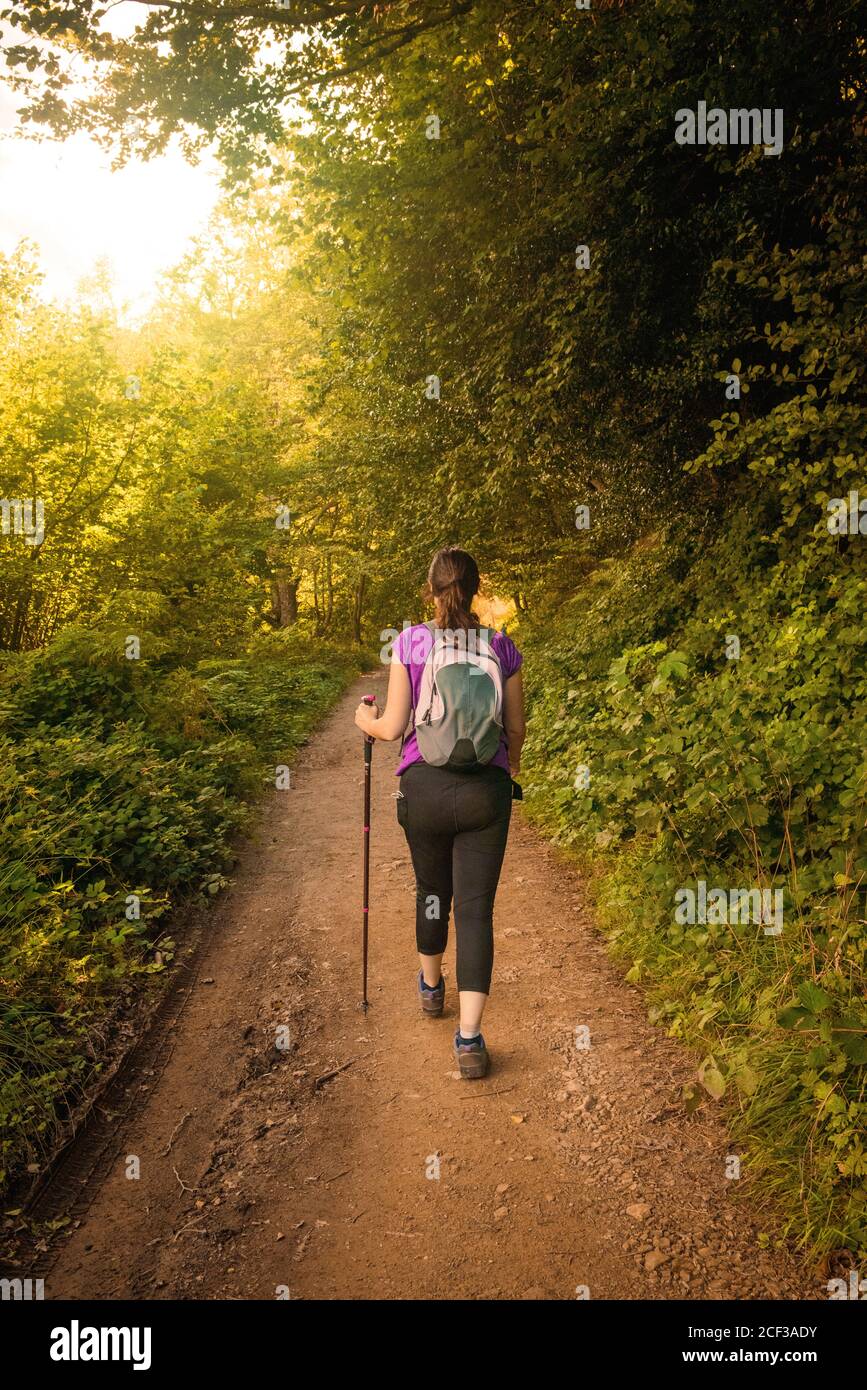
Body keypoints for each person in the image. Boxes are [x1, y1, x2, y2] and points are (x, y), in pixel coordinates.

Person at [354, 546, 526, 1079]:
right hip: (485, 794)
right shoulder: (502, 646)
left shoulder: (410, 642)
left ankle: (431, 990)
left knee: (432, 892)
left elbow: (391, 727)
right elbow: (515, 730)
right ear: (475, 590)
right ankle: (471, 1042)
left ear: (429, 591)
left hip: (424, 789)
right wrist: (506, 771)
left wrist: (366, 719)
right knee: (475, 911)